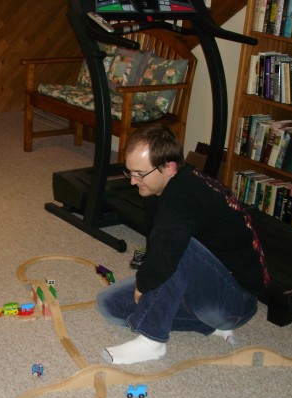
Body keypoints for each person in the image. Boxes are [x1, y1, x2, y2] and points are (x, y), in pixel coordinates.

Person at [97, 123, 269, 365]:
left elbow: (167, 249)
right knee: (110, 304)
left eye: (140, 174)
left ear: (169, 167)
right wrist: (147, 284)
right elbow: (157, 243)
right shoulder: (157, 189)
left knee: (177, 247)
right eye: (130, 172)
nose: (134, 182)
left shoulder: (184, 195)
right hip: (201, 291)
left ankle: (151, 342)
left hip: (235, 301)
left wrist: (144, 284)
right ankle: (207, 326)